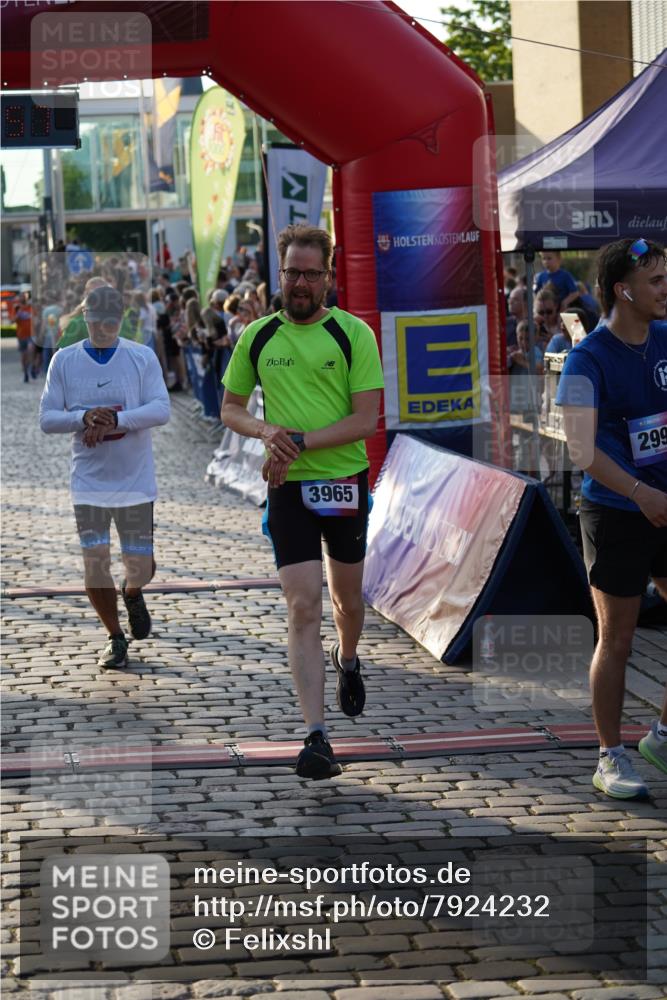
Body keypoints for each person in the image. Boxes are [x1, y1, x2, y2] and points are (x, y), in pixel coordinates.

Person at [221, 223, 384, 781]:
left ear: (328, 277)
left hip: (344, 481)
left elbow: (367, 419)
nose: (300, 283)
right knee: (302, 605)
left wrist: (301, 442)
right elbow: (230, 408)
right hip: (285, 485)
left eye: (312, 274)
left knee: (348, 603)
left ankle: (350, 658)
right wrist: (268, 432)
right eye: (292, 272)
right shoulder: (258, 336)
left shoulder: (352, 334)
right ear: (280, 272)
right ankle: (316, 736)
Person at [557, 236, 667, 798]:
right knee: (617, 639)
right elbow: (579, 449)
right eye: (656, 281)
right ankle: (610, 756)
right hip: (617, 510)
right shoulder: (586, 358)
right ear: (624, 290)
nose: (665, 289)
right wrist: (640, 491)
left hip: (665, 506)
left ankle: (663, 736)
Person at [39, 287, 170, 668]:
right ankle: (115, 637)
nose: (102, 328)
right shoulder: (64, 360)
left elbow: (161, 408)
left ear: (122, 318)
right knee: (95, 563)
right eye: (95, 320)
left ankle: (133, 591)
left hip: (134, 481)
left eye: (111, 321)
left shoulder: (141, 357)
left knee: (141, 566)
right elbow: (47, 418)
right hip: (89, 483)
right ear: (84, 316)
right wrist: (82, 417)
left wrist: (118, 419)